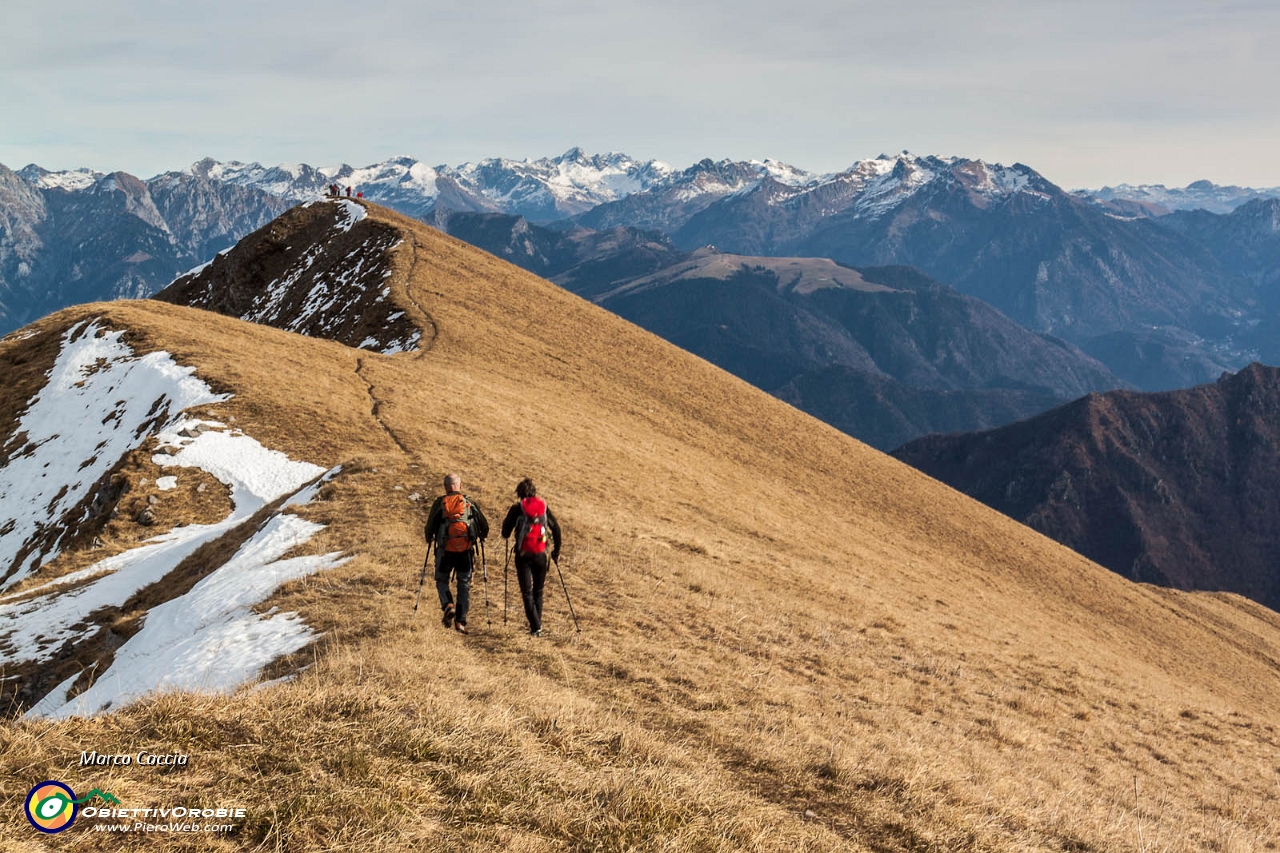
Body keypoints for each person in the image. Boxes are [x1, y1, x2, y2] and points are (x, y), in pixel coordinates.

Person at [424, 473, 490, 634]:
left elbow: (429, 527)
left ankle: (448, 605)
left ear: (445, 487)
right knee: (464, 586)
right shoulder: (468, 503)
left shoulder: (440, 503)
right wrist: (481, 536)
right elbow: (484, 525)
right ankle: (460, 623)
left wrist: (429, 537)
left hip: (445, 550)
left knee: (441, 580)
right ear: (460, 485)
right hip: (465, 552)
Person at [501, 478, 562, 636]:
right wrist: (556, 552)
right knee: (538, 591)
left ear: (519, 494)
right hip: (542, 554)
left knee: (527, 592)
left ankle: (536, 627)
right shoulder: (543, 507)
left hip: (523, 555)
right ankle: (537, 627)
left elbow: (505, 532)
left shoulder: (517, 509)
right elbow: (556, 530)